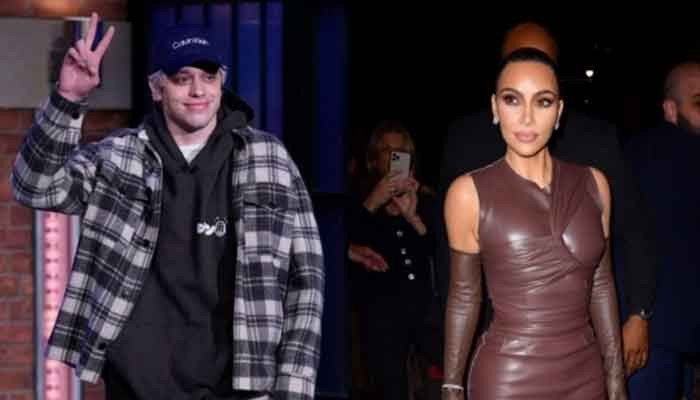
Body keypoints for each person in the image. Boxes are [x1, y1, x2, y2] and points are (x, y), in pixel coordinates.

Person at [11, 13, 324, 400]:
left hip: (238, 387)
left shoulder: (268, 159)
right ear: (156, 88)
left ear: (222, 81)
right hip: (136, 387)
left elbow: (306, 280)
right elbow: (34, 186)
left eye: (208, 77)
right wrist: (68, 99)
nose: (198, 90)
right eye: (182, 78)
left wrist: (292, 389)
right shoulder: (119, 157)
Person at [437, 22, 656, 380]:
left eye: (542, 97)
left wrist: (638, 313)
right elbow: (455, 274)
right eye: (512, 96)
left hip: (584, 353)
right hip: (500, 353)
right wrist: (453, 373)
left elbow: (631, 232)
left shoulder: (596, 145)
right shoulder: (465, 142)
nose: (527, 114)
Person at [347, 121, 441, 400]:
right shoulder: (359, 201)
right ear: (374, 159)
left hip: (427, 313)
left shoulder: (425, 199)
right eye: (386, 150)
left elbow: (439, 254)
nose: (393, 157)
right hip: (382, 316)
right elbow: (345, 246)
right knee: (390, 387)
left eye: (400, 152)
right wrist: (372, 203)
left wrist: (414, 218)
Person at [624, 61, 700, 400]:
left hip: (661, 327)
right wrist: (637, 316)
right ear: (670, 110)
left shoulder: (636, 150)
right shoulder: (662, 153)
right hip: (655, 333)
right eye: (699, 103)